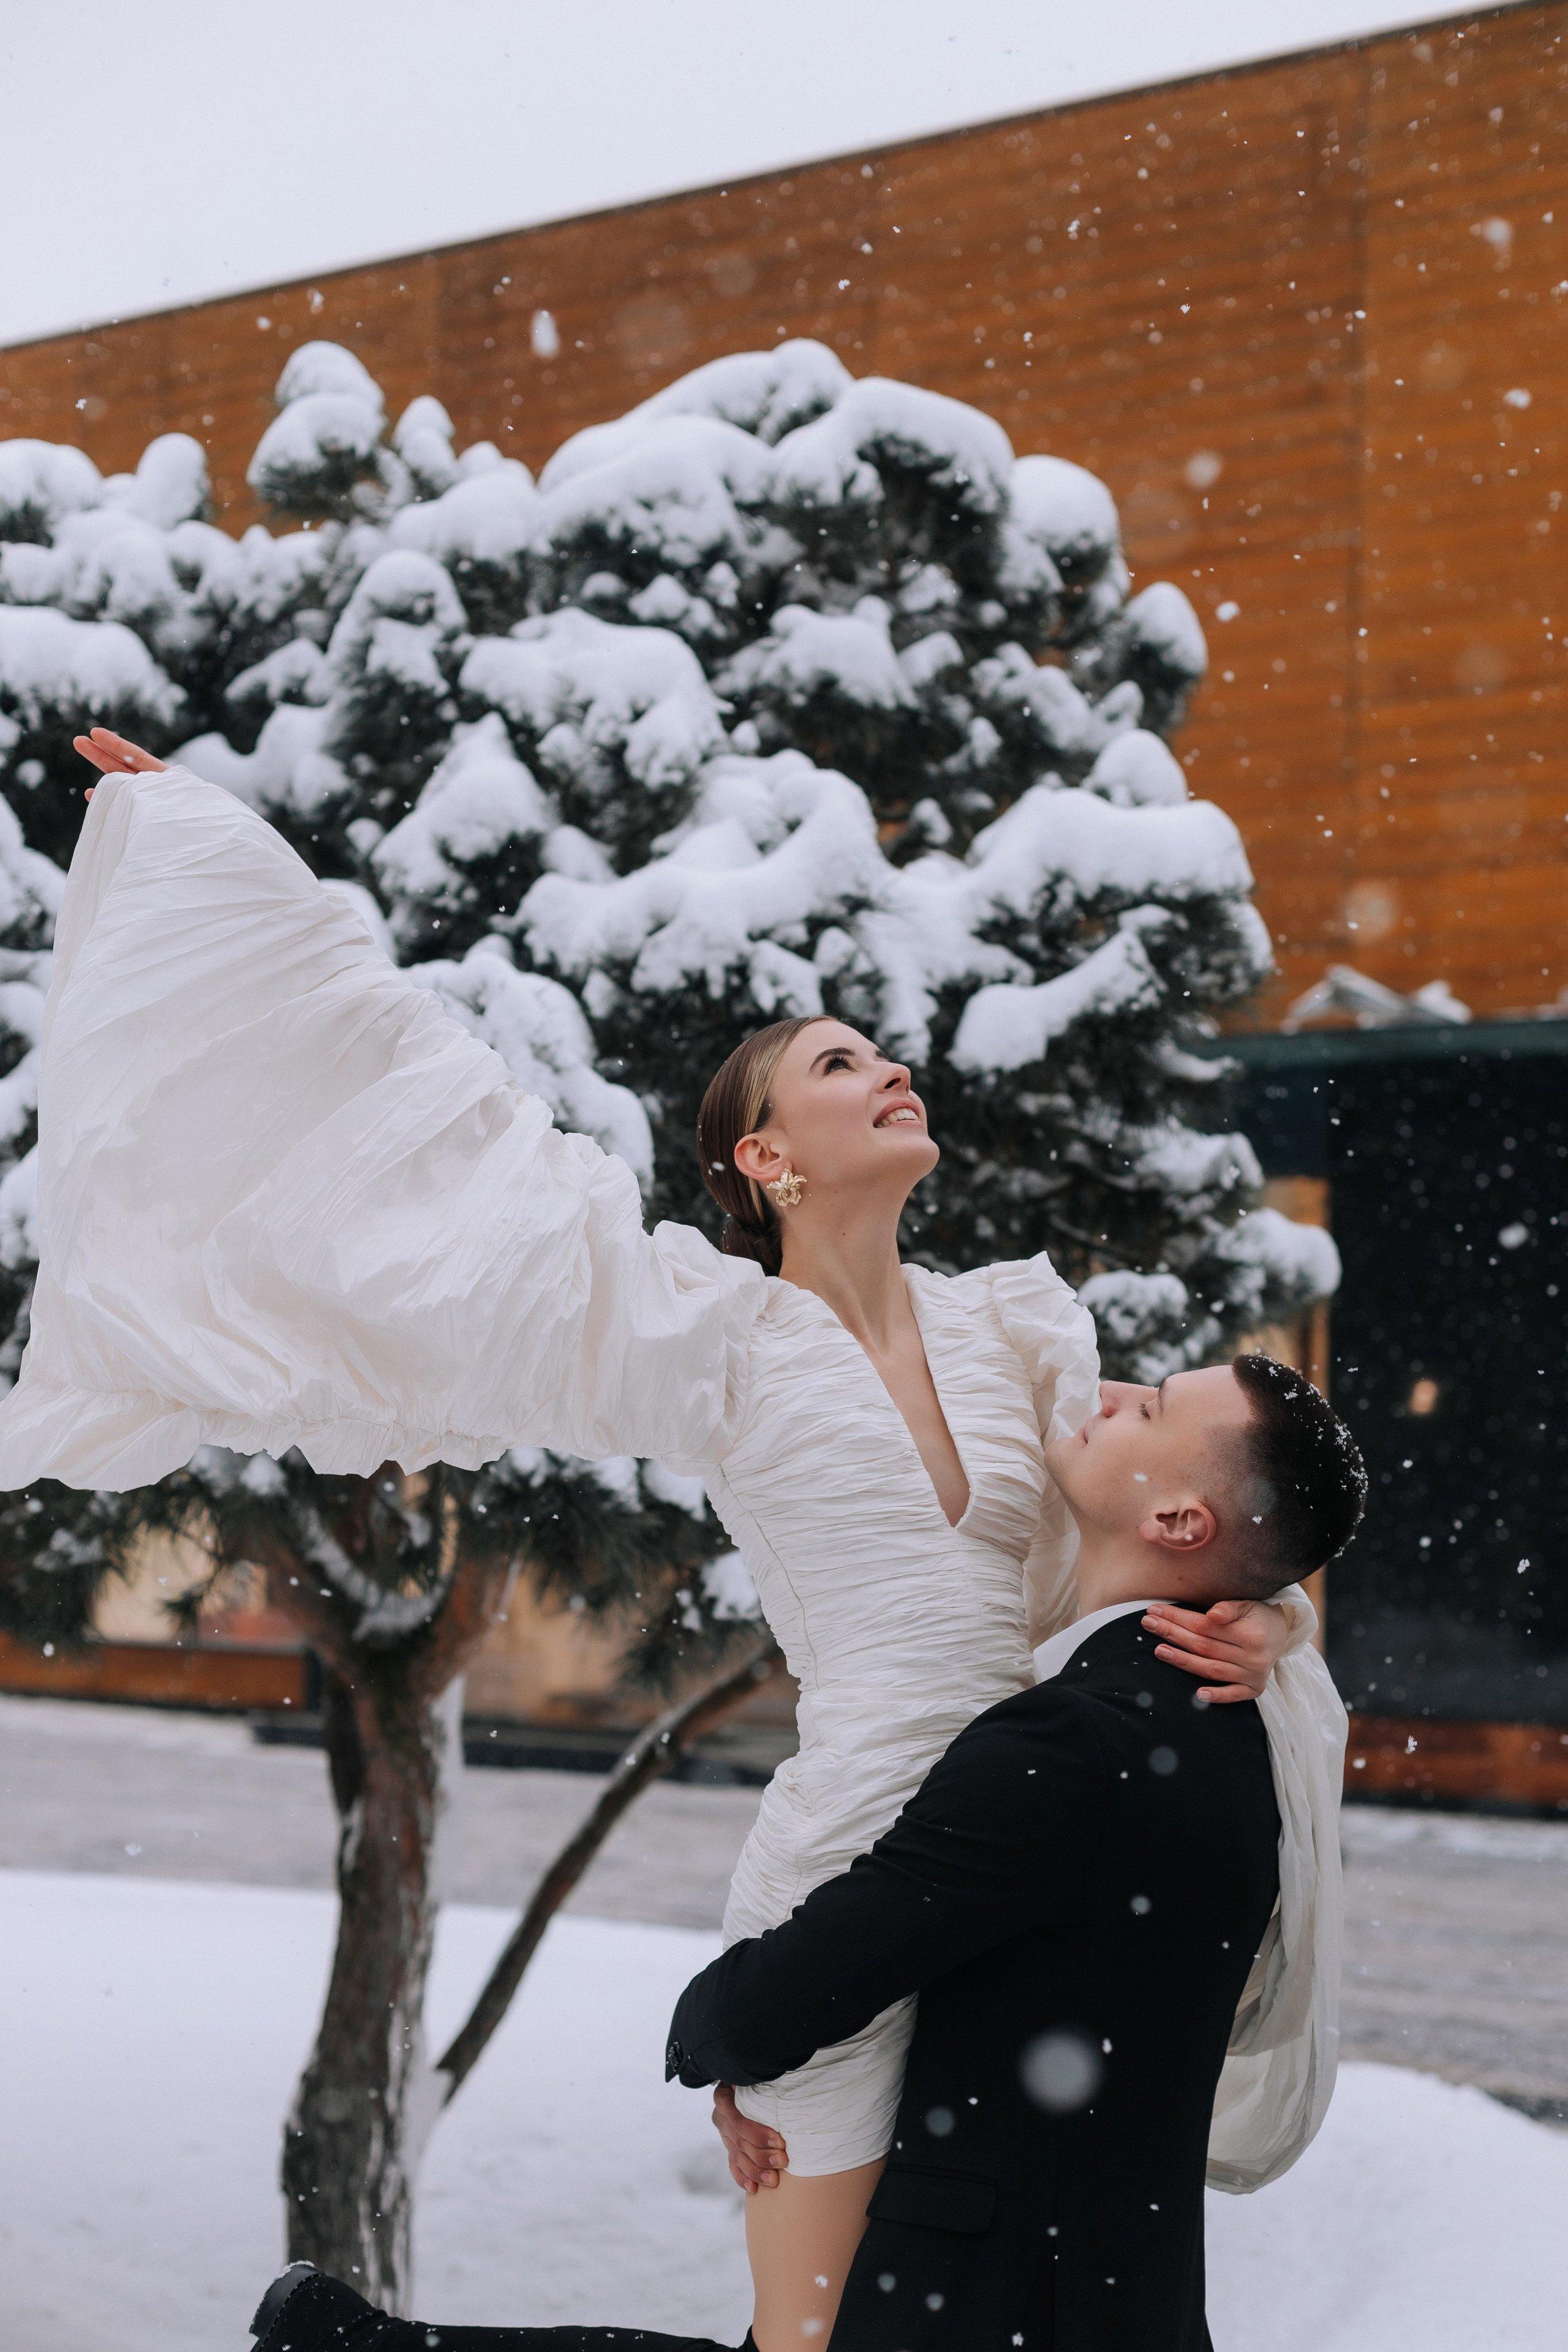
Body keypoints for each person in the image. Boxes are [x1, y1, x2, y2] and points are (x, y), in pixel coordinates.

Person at [13, 735, 1321, 2345]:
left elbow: (1199, 1512)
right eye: (839, 1067)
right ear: (764, 1161)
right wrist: (234, 869)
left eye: (884, 1055)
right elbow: (461, 1168)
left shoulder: (1022, 1334)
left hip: (1014, 1891)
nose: (890, 1070)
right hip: (850, 1877)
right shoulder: (712, 1334)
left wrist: (1270, 1624)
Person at [246, 1353, 1363, 2352]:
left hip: (983, 2305)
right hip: (1121, 2303)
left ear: (1178, 1520)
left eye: (1154, 1407)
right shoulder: (1244, 1731)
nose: (1114, 1392)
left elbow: (804, 1984)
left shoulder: (1078, 1742)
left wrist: (718, 2034)